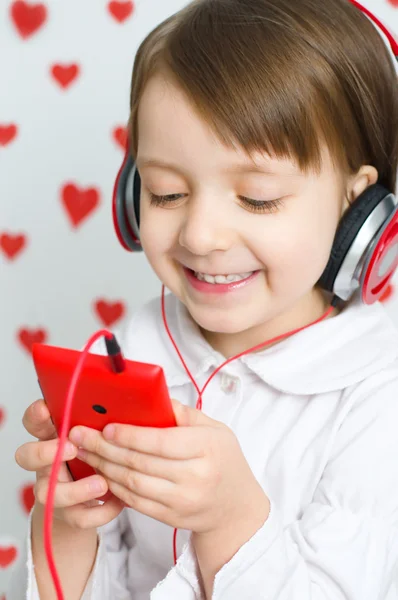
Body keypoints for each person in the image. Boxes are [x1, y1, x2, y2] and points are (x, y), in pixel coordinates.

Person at [9, 0, 398, 598]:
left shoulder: (377, 392)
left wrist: (230, 521)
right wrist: (66, 523)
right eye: (166, 194)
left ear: (358, 212)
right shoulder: (133, 351)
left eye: (259, 199)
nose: (199, 236)